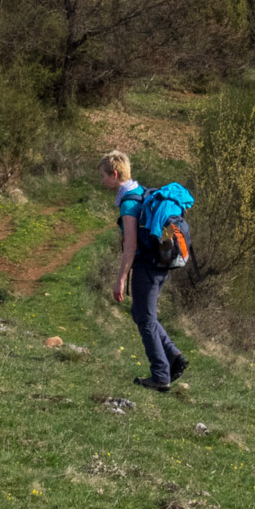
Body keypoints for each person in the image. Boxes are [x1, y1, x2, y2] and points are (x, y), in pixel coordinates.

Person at [100, 149, 188, 392]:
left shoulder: (129, 203)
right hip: (160, 264)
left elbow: (130, 247)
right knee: (140, 314)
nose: (102, 181)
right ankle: (173, 357)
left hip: (145, 267)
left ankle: (161, 375)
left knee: (146, 320)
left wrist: (120, 279)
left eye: (104, 176)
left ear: (114, 174)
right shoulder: (141, 191)